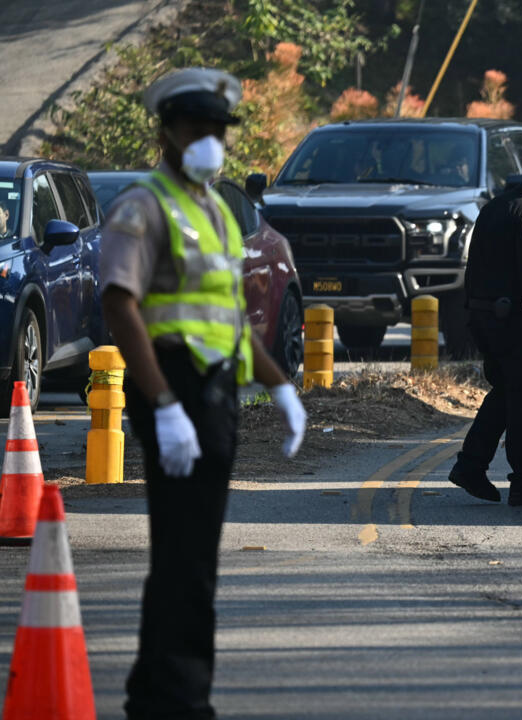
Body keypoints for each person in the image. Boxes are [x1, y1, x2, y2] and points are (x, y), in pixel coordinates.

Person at [99, 67, 307, 718]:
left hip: (215, 393)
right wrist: (162, 405)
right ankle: (178, 700)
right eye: (196, 132)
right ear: (166, 135)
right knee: (184, 555)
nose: (210, 143)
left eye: (218, 132)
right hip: (173, 386)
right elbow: (120, 303)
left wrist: (281, 388)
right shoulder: (145, 205)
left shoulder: (215, 211)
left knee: (195, 555)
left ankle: (159, 691)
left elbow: (229, 324)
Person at [447, 155, 522, 506]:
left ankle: (471, 466)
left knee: (506, 394)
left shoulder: (494, 209)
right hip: (516, 325)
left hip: (485, 320)